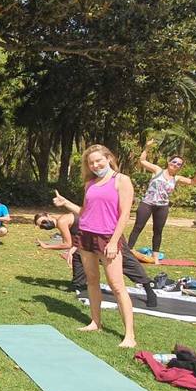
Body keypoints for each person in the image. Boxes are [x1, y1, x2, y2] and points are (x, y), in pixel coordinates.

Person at [54, 144, 136, 347]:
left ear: (108, 158)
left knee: (117, 286)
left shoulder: (121, 180)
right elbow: (85, 212)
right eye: (91, 163)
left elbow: (125, 214)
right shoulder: (90, 183)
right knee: (92, 280)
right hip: (87, 235)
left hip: (108, 237)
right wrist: (65, 202)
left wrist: (114, 241)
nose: (95, 165)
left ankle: (130, 336)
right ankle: (95, 322)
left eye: (98, 160)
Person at [35, 209, 157, 307]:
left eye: (44, 221)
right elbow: (78, 235)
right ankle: (79, 286)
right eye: (41, 226)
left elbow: (67, 244)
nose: (44, 225)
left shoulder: (62, 221)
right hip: (90, 239)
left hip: (106, 234)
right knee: (78, 255)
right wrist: (73, 249)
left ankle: (148, 288)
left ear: (48, 215)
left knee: (126, 262)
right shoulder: (63, 222)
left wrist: (47, 246)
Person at [128, 140, 196, 253]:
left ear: (180, 167)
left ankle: (155, 256)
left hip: (162, 207)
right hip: (147, 203)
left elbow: (194, 182)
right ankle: (128, 251)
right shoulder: (158, 170)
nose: (175, 165)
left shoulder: (176, 178)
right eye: (174, 162)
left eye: (178, 164)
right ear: (169, 162)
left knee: (158, 231)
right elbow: (142, 161)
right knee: (138, 227)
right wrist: (147, 148)